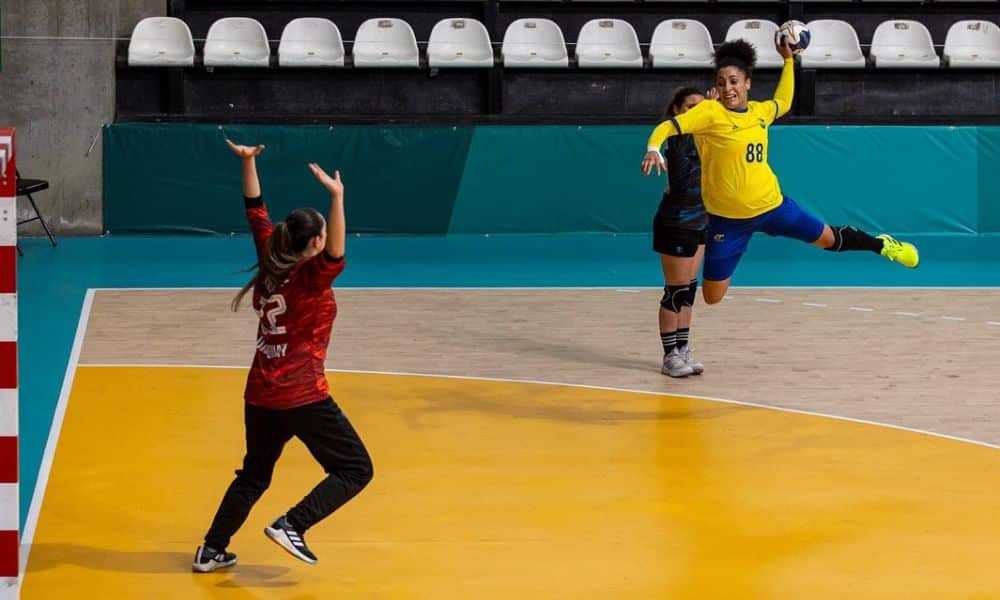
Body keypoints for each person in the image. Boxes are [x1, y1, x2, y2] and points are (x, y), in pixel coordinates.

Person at [193, 140, 373, 572]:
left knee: (254, 475)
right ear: (314, 241)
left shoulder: (271, 258)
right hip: (303, 396)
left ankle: (211, 549)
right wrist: (338, 197)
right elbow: (337, 254)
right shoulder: (311, 278)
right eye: (323, 236)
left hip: (260, 395)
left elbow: (254, 208)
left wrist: (249, 162)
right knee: (355, 469)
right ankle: (293, 523)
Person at [641, 37, 919, 307]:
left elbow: (783, 101)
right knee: (712, 297)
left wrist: (788, 61)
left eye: (734, 81)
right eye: (721, 83)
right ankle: (736, 249)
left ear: (747, 83)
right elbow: (668, 127)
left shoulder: (761, 112)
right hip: (728, 222)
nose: (727, 88)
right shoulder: (709, 114)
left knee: (829, 240)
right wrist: (654, 147)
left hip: (773, 207)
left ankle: (882, 245)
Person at [652, 87, 716, 378]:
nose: (697, 112)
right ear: (677, 111)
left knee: (689, 290)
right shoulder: (677, 139)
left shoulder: (707, 136)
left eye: (701, 107)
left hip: (701, 220)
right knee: (675, 292)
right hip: (677, 221)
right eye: (691, 107)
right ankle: (669, 357)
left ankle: (682, 348)